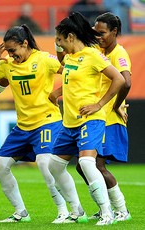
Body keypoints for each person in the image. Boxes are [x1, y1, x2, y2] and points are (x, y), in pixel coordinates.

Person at [0, 25, 70, 223]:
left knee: (46, 163)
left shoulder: (44, 59)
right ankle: (21, 212)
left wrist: (58, 92)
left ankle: (64, 211)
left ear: (25, 44)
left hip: (47, 121)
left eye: (14, 50)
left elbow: (73, 73)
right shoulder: (7, 65)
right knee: (0, 166)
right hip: (23, 126)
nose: (11, 55)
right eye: (9, 51)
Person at [48, 12, 125, 226]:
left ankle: (107, 212)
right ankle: (77, 211)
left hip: (90, 119)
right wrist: (57, 93)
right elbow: (73, 81)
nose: (59, 44)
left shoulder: (92, 55)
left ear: (71, 37)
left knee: (86, 162)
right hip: (69, 122)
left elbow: (118, 79)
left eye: (60, 40)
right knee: (54, 166)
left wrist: (99, 104)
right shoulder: (71, 58)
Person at [76, 12, 132, 222]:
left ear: (114, 32)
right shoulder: (97, 51)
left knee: (95, 166)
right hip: (97, 117)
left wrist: (116, 105)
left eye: (102, 33)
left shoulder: (119, 53)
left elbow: (125, 82)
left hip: (107, 119)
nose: (98, 37)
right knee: (83, 165)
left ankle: (121, 209)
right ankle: (106, 207)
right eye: (95, 33)